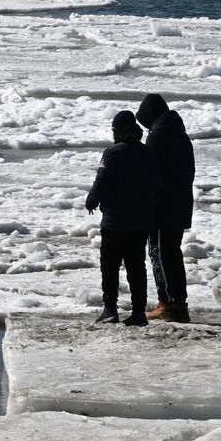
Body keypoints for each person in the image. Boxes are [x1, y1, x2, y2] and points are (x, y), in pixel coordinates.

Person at [85, 110, 158, 326]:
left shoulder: (113, 153)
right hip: (141, 222)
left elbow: (102, 181)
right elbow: (157, 186)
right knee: (136, 267)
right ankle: (138, 312)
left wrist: (91, 201)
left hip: (115, 222)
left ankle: (110, 309)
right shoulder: (149, 154)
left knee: (110, 266)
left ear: (118, 131)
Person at [136, 93, 195, 323]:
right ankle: (176, 302)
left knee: (159, 254)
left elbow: (152, 175)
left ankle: (169, 304)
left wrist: (148, 204)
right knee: (172, 253)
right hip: (179, 204)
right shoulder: (179, 134)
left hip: (163, 209)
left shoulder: (158, 136)